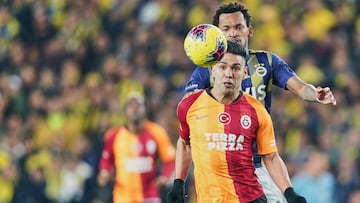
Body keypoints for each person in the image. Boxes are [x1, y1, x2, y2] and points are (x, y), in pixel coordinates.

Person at [183, 2, 336, 202]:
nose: (233, 33)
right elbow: (188, 105)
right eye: (226, 29)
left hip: (260, 163)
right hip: (221, 167)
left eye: (239, 27)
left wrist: (315, 94)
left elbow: (300, 87)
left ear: (249, 30)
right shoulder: (208, 68)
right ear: (218, 35)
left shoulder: (267, 62)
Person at [167, 40, 306, 202]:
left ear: (245, 73)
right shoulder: (189, 105)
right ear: (212, 70)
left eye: (235, 68)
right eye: (223, 66)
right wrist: (178, 183)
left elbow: (271, 157)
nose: (229, 73)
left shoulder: (257, 110)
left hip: (250, 198)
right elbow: (185, 144)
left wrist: (289, 193)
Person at [97, 92, 175, 203]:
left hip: (149, 194)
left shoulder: (157, 132)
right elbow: (106, 160)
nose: (134, 109)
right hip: (123, 196)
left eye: (138, 105)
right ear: (125, 110)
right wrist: (104, 172)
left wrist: (165, 177)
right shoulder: (113, 136)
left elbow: (170, 160)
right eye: (130, 106)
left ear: (145, 109)